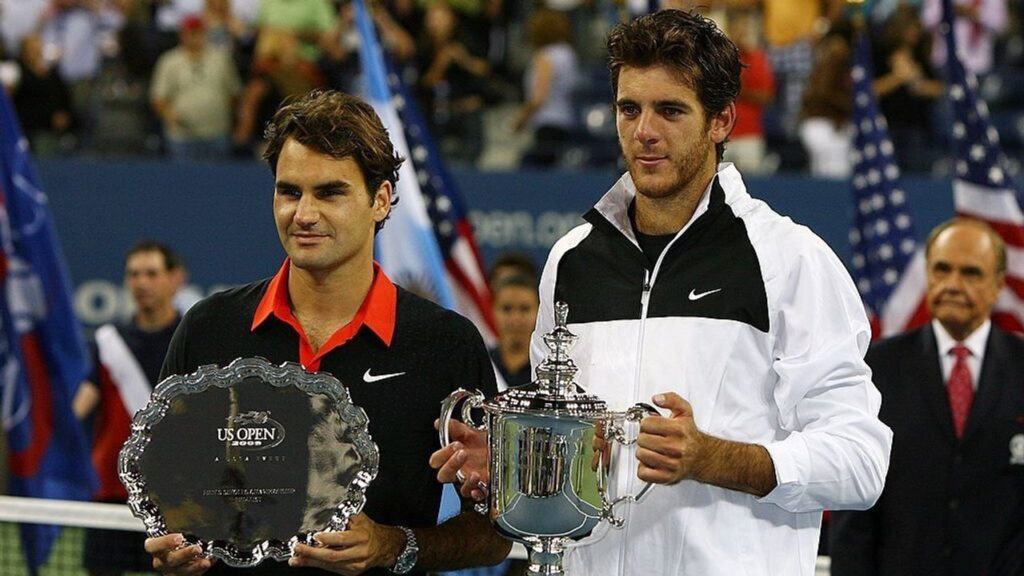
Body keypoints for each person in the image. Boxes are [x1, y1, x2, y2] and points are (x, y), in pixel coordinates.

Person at [432, 10, 892, 575]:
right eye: (629, 109)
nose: (644, 131)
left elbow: (860, 461)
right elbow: (583, 456)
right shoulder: (571, 260)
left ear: (721, 120)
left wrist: (713, 458)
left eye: (670, 110)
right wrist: (517, 459)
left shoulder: (791, 260)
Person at [144, 89, 510, 576]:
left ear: (380, 200)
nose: (303, 214)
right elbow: (165, 491)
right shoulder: (208, 328)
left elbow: (493, 531)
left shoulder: (446, 344)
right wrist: (170, 552)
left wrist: (391, 545)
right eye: (289, 191)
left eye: (330, 192)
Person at [829, 218, 1024, 576]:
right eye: (942, 269)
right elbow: (855, 504)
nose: (953, 284)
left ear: (998, 285)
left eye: (971, 273)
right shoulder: (877, 368)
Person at [73, 240, 184, 576]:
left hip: (173, 494)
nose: (141, 283)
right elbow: (82, 403)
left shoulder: (191, 338)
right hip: (112, 490)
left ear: (175, 279)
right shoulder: (109, 342)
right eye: (134, 274)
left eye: (151, 273)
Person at [150, 14, 241, 159]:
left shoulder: (221, 59)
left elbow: (234, 94)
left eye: (197, 32)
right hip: (182, 136)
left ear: (204, 34)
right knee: (182, 172)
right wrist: (169, 115)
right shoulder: (169, 61)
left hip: (216, 133)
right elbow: (158, 97)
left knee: (218, 172)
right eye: (190, 33)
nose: (194, 37)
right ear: (182, 35)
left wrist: (229, 118)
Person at [489, 273, 539, 389]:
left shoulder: (548, 368)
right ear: (493, 311)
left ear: (538, 312)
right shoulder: (482, 364)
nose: (515, 319)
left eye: (524, 309)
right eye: (507, 309)